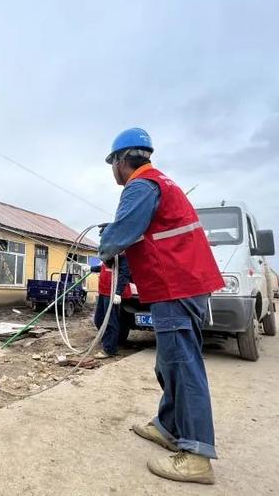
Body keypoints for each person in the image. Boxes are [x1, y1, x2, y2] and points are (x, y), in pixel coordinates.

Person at [99, 128, 225, 485]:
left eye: (112, 163)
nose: (113, 171)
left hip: (176, 286)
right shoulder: (161, 183)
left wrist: (104, 251)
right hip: (180, 284)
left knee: (182, 367)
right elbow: (141, 233)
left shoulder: (139, 186)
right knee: (169, 361)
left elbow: (123, 230)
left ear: (122, 161)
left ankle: (198, 455)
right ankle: (169, 427)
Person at [90, 255, 131, 358]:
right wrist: (91, 268)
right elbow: (105, 267)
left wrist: (118, 292)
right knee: (99, 320)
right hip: (103, 291)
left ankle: (110, 349)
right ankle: (108, 342)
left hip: (112, 293)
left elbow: (125, 274)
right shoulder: (109, 253)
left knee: (111, 322)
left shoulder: (122, 254)